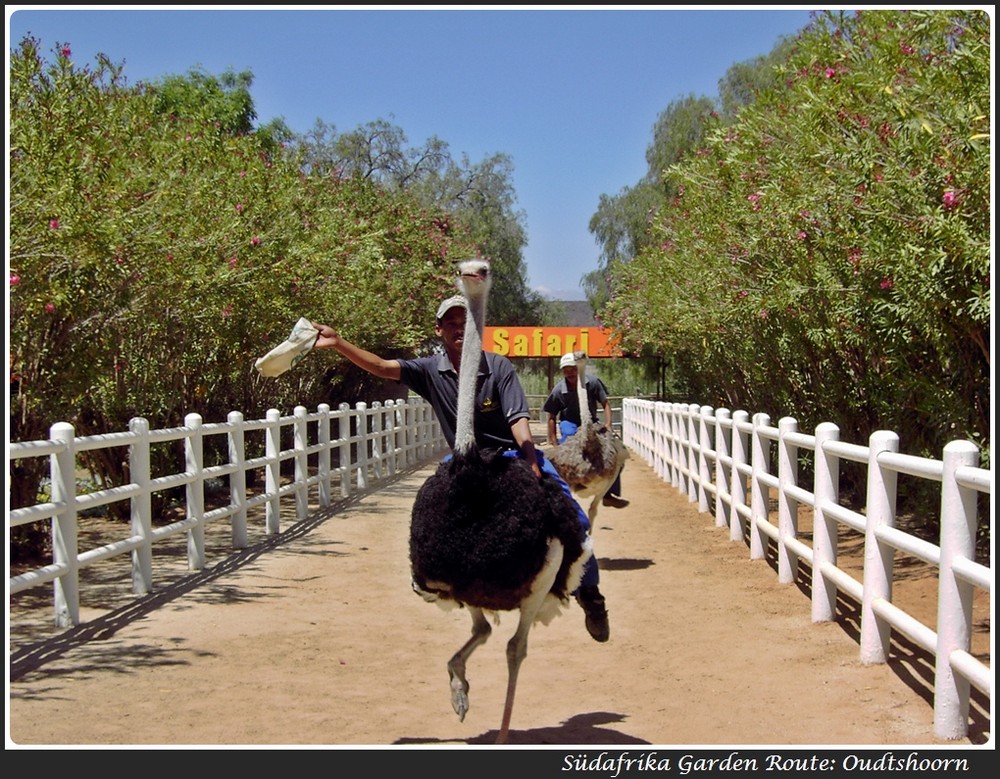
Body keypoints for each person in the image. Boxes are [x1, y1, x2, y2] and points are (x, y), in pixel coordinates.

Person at [309, 295, 610, 642]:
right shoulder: (429, 370)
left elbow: (517, 419)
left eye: (464, 322)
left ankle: (590, 595)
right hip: (464, 456)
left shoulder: (497, 367)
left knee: (574, 516)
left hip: (510, 452)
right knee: (429, 504)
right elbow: (380, 366)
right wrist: (338, 343)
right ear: (439, 329)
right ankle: (425, 575)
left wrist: (531, 458)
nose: (457, 328)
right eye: (450, 322)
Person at [543, 352, 629, 509]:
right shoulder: (558, 390)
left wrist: (608, 425)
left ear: (578, 368)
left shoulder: (594, 383)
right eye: (566, 369)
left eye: (572, 368)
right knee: (564, 454)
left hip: (591, 422)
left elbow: (605, 404)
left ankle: (608, 494)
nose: (569, 372)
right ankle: (565, 492)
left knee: (615, 453)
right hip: (569, 423)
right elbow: (551, 415)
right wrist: (554, 441)